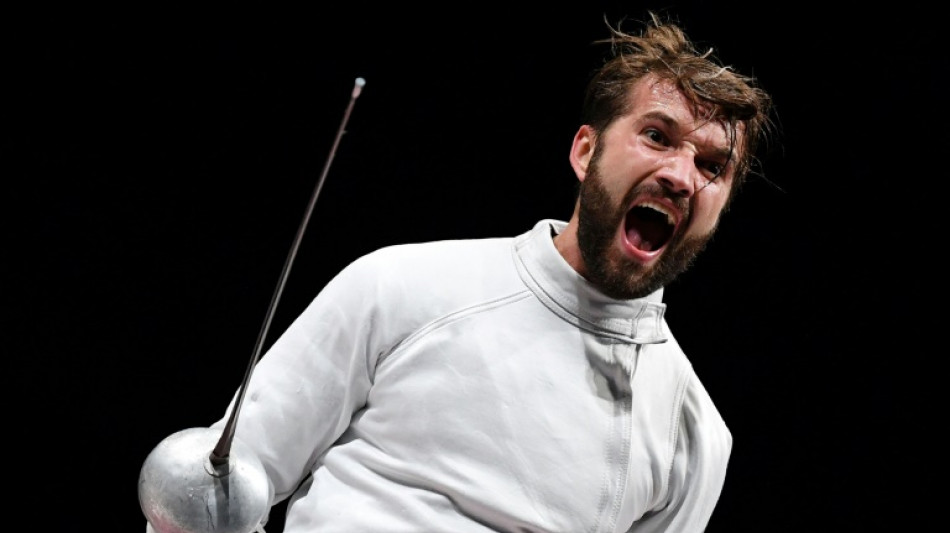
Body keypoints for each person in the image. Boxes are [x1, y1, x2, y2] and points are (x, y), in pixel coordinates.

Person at [144, 11, 773, 533]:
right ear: (586, 151)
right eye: (658, 136)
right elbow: (213, 492)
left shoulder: (693, 436)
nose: (682, 175)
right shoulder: (403, 287)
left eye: (713, 165)